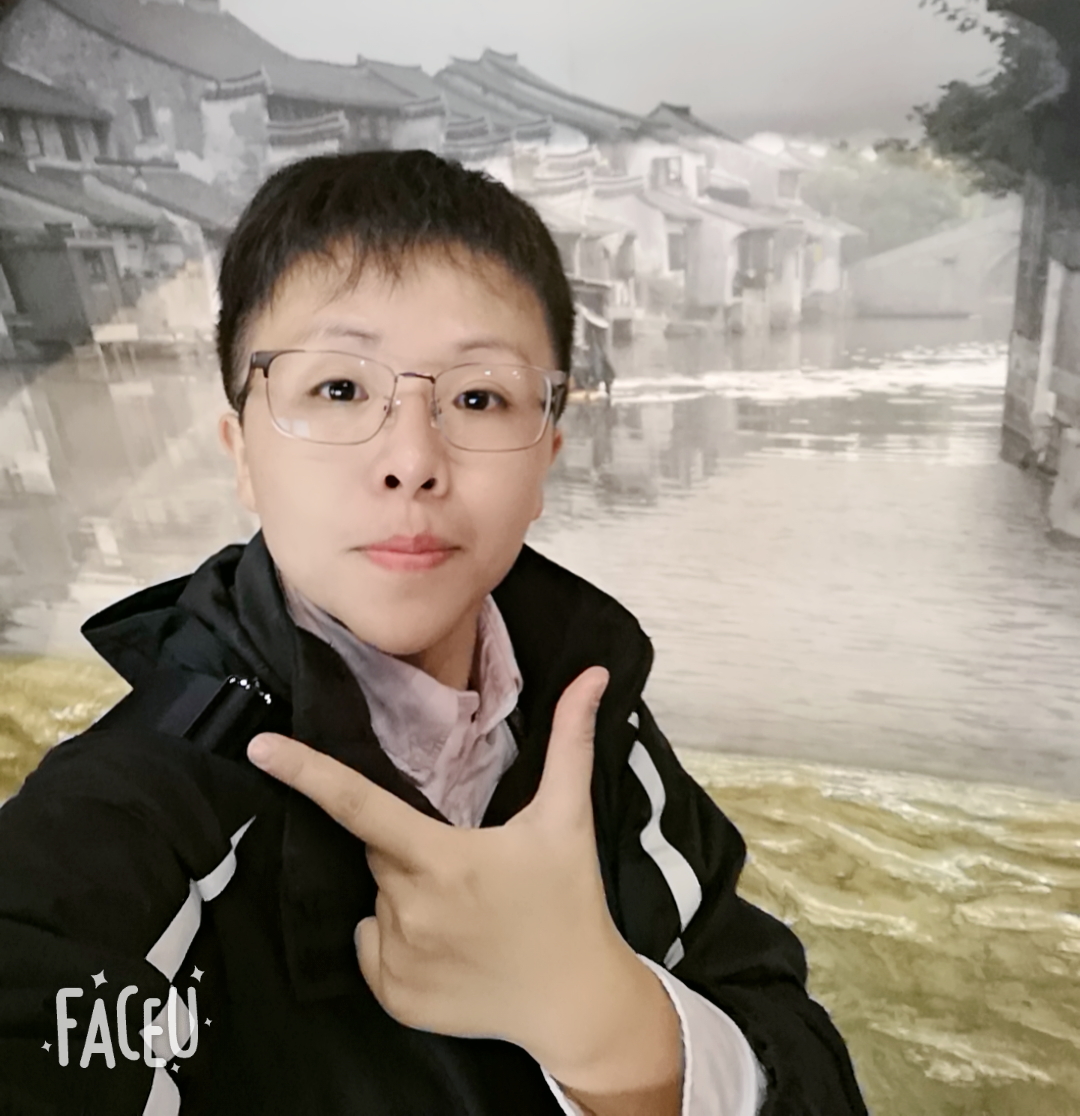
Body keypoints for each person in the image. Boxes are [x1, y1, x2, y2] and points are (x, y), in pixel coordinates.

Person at [0, 151, 868, 1116]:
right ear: (242, 452)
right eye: (339, 390)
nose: (412, 459)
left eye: (478, 397)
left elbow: (804, 1061)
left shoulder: (595, 730)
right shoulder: (134, 820)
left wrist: (614, 1030)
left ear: (546, 458)